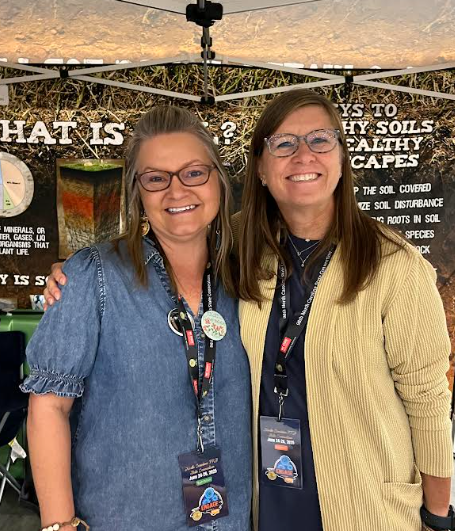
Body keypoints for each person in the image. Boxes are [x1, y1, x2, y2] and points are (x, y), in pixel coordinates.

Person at [44, 90, 453, 531]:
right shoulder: (243, 250)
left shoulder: (396, 267)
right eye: (283, 144)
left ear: (340, 158)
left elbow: (427, 400)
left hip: (364, 508)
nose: (302, 156)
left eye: (320, 140)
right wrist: (79, 274)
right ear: (260, 168)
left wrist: (437, 515)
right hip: (265, 506)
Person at [21, 106, 252, 531]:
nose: (176, 191)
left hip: (231, 517)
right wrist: (59, 525)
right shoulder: (95, 276)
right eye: (156, 178)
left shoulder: (250, 277)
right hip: (127, 517)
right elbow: (48, 407)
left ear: (218, 179)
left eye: (194, 173)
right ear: (138, 191)